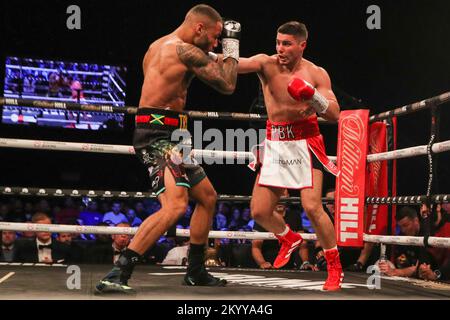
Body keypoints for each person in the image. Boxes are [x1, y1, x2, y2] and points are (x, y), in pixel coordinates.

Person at [96, 4, 240, 293]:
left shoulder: (158, 46)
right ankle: (118, 272)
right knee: (175, 205)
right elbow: (227, 83)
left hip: (174, 134)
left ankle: (196, 271)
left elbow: (222, 65)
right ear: (199, 28)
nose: (215, 42)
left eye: (219, 39)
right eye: (214, 36)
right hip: (158, 135)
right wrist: (232, 43)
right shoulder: (184, 51)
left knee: (208, 197)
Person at [238, 21, 342, 290]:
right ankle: (288, 238)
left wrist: (312, 97)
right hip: (276, 141)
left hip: (306, 140)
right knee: (259, 210)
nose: (280, 49)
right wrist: (222, 46)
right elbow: (233, 66)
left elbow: (334, 113)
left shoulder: (316, 73)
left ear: (302, 45)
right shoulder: (265, 64)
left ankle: (334, 267)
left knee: (312, 206)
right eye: (278, 42)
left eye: (287, 44)